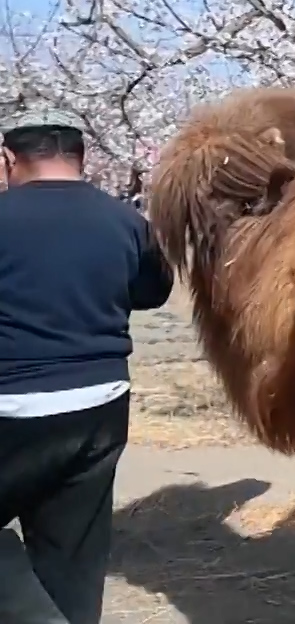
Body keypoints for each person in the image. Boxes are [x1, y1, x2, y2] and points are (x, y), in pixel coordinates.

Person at [0, 109, 174, 624]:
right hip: (99, 405)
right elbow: (152, 292)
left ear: (8, 158)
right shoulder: (127, 222)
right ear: (82, 156)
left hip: (12, 405)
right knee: (72, 559)